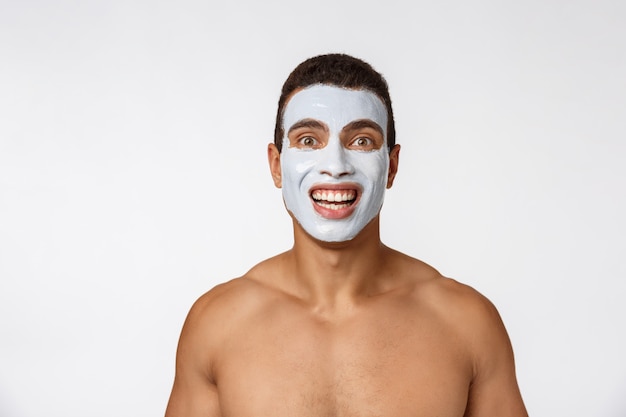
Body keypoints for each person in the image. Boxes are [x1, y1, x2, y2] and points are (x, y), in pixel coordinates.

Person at [164, 53, 528, 417]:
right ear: (277, 165)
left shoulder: (465, 323)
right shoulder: (217, 324)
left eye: (362, 141)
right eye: (308, 140)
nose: (336, 166)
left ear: (392, 165)